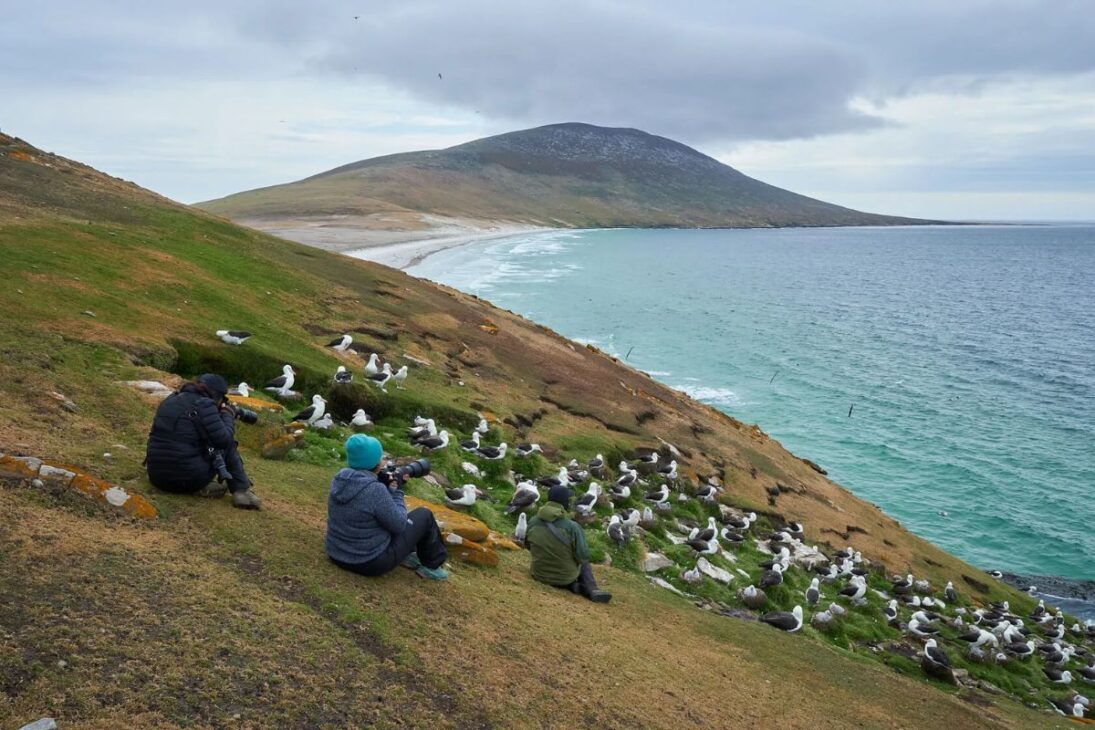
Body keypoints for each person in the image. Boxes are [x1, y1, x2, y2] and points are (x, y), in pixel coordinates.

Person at [325, 434, 449, 580]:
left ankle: (409, 556)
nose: (383, 461)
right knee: (424, 515)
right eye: (381, 457)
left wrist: (386, 488)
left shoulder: (340, 478)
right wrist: (397, 491)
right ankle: (432, 566)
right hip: (368, 562)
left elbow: (368, 506)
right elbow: (399, 525)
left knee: (390, 516)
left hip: (336, 552)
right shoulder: (375, 490)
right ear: (374, 463)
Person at [145, 373, 262, 509]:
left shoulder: (172, 398)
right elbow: (223, 440)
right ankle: (242, 492)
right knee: (227, 443)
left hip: (157, 476)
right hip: (185, 480)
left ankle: (188, 481)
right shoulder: (204, 404)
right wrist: (228, 415)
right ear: (217, 395)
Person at [525, 485, 611, 603]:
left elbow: (528, 546)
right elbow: (583, 556)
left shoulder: (533, 521)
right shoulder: (572, 527)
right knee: (584, 564)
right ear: (564, 502)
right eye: (569, 500)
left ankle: (576, 586)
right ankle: (592, 589)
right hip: (564, 578)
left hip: (538, 574)